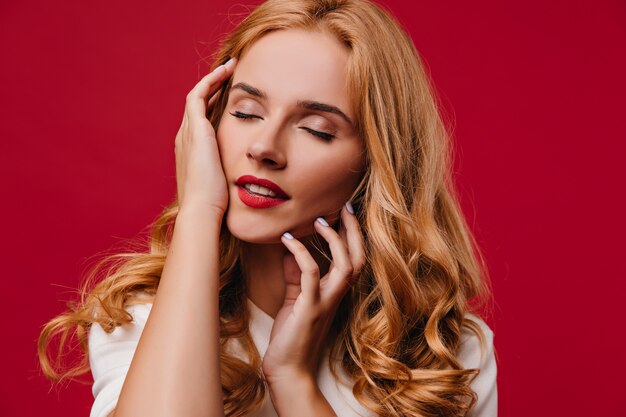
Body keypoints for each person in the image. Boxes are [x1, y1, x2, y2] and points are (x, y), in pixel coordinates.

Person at [38, 0, 498, 416]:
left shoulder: (445, 352)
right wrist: (199, 209)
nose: (264, 147)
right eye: (245, 112)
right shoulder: (136, 317)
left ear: (376, 163)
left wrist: (294, 382)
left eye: (316, 129)